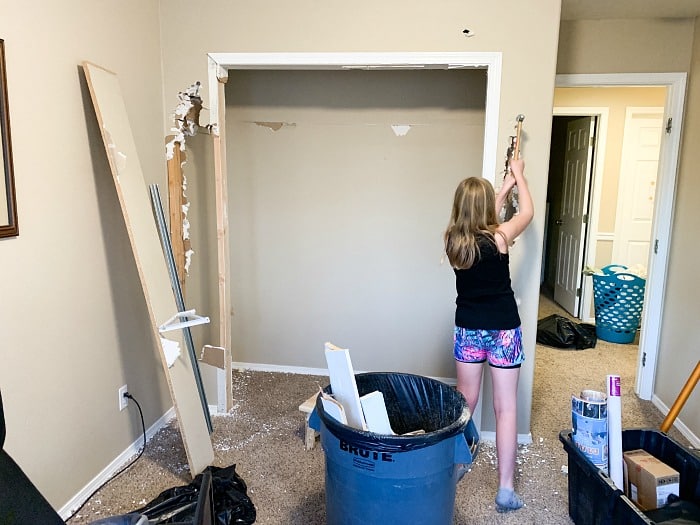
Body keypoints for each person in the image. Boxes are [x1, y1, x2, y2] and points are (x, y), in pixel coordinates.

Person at [443, 157, 533, 513]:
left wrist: (505, 186)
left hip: (469, 330)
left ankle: (454, 465)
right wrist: (520, 177)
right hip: (504, 331)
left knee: (465, 401)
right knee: (505, 408)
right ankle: (505, 489)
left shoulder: (453, 241)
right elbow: (525, 213)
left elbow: (481, 215)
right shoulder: (499, 237)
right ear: (486, 209)